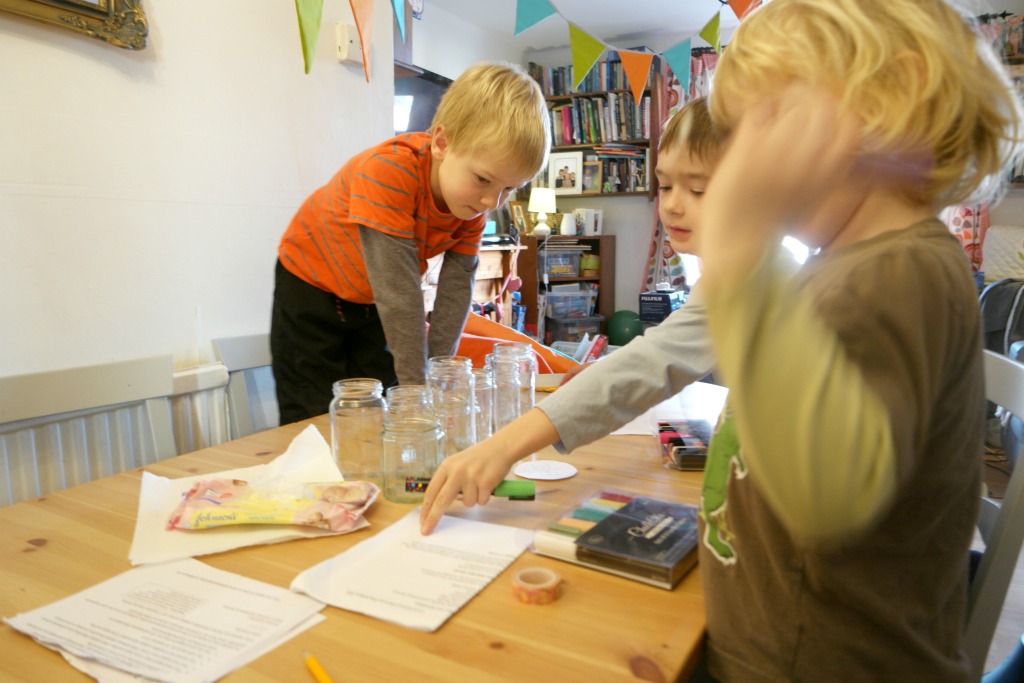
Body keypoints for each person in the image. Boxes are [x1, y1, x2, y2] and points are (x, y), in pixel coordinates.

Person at [424, 0, 1024, 679]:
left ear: (891, 104)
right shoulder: (839, 268)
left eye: (770, 120)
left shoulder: (900, 273)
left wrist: (737, 246)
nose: (745, 154)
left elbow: (830, 493)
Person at [419, 94, 722, 520]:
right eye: (666, 185)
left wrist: (503, 447)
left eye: (698, 189)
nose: (671, 204)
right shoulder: (730, 277)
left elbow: (650, 365)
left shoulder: (750, 280)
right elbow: (647, 362)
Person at [270, 63, 550, 423]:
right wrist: (420, 392)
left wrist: (439, 377)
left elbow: (455, 291)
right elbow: (400, 294)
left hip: (368, 296)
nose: (491, 202)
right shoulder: (389, 171)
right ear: (442, 143)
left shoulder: (472, 207)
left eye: (509, 189)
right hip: (310, 286)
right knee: (311, 415)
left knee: (381, 406)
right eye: (483, 179)